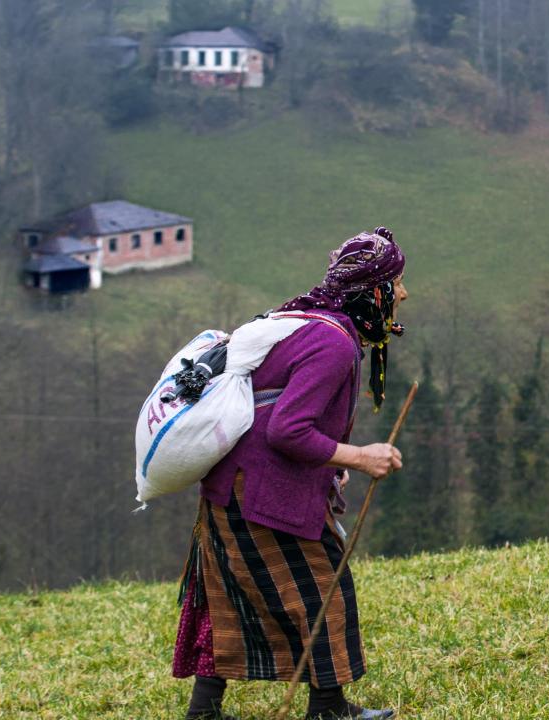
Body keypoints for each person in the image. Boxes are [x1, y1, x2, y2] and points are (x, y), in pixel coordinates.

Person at [172, 228, 410, 719]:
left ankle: (203, 712)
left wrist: (330, 467)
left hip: (230, 484)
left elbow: (278, 415)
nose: (404, 294)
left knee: (231, 593)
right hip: (259, 492)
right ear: (373, 293)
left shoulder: (313, 324)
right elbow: (286, 430)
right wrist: (359, 457)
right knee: (326, 591)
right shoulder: (334, 344)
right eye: (397, 283)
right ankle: (328, 710)